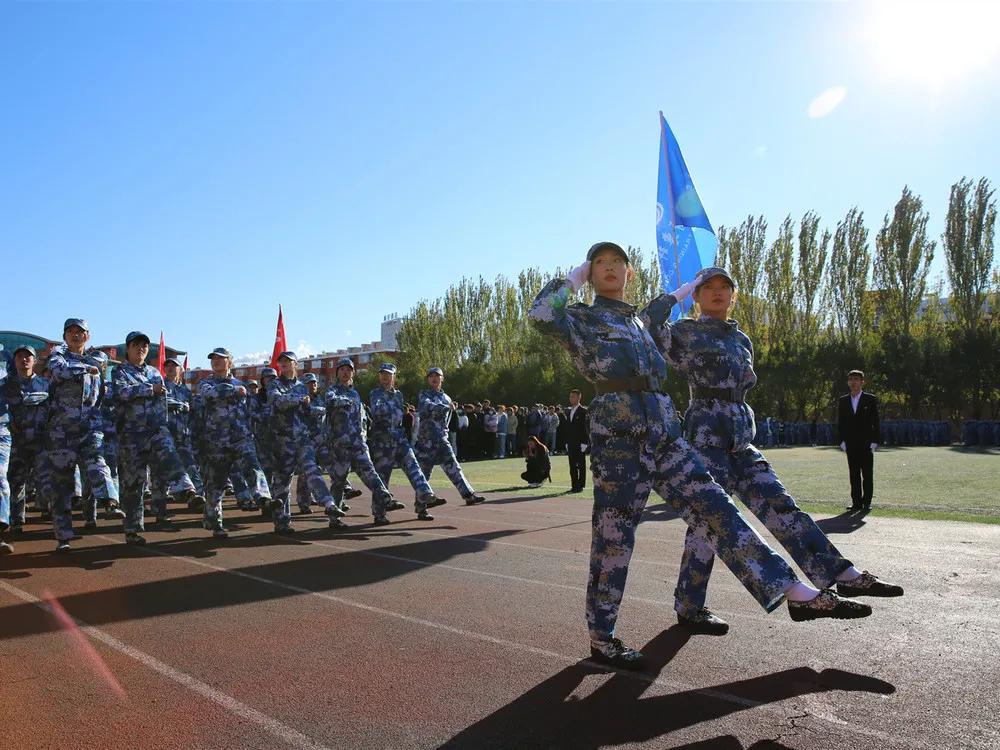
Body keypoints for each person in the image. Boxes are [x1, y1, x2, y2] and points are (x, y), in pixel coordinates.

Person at [529, 242, 871, 669]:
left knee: (717, 509)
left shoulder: (638, 321)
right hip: (618, 438)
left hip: (665, 432)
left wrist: (680, 291)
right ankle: (603, 636)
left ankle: (794, 593)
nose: (610, 268)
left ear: (630, 274)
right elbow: (541, 314)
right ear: (590, 273)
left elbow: (655, 317)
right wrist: (574, 277)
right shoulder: (580, 318)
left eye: (618, 263)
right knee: (614, 539)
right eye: (600, 264)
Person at [651, 267, 903, 635]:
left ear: (733, 296)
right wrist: (678, 292)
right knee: (711, 523)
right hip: (706, 435)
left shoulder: (742, 340)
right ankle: (691, 607)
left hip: (741, 436)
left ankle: (840, 573)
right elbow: (649, 325)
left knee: (780, 504)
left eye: (725, 288)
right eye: (708, 288)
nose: (718, 293)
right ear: (698, 296)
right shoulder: (686, 332)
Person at [45, 319, 123, 551]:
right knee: (62, 485)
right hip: (62, 431)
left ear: (88, 336)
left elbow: (101, 389)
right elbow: (58, 371)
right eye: (71, 332)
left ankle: (110, 500)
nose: (76, 336)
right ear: (65, 336)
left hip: (89, 426)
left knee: (97, 463)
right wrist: (85, 368)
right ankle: (63, 537)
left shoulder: (96, 359)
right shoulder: (58, 358)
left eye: (80, 332)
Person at [193, 347, 272, 538]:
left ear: (230, 361)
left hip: (240, 438)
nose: (216, 361)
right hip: (216, 441)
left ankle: (262, 497)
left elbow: (251, 411)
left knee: (252, 465)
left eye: (220, 358)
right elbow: (210, 394)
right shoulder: (205, 383)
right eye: (213, 359)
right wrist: (233, 390)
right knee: (216, 485)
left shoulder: (241, 384)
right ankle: (214, 523)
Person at [268, 351, 339, 534]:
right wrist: (299, 400)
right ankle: (282, 522)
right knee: (282, 483)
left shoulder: (301, 387)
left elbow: (306, 412)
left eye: (288, 361)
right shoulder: (274, 384)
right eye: (281, 361)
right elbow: (278, 402)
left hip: (302, 439)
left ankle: (328, 503)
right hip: (282, 441)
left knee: (313, 470)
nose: (283, 364)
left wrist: (314, 409)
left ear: (295, 365)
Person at [368, 363, 446, 520]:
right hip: (382, 441)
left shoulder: (399, 395)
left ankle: (426, 495)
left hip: (399, 437)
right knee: (383, 477)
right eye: (382, 374)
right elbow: (377, 411)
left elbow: (398, 417)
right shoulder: (375, 393)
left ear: (394, 377)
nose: (385, 377)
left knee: (414, 466)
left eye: (388, 374)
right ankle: (379, 513)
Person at [322, 358, 392, 527]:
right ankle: (334, 519)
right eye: (342, 369)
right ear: (337, 372)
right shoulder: (332, 390)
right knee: (339, 482)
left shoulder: (355, 393)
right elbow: (330, 402)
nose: (345, 372)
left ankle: (385, 498)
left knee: (370, 472)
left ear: (353, 373)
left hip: (358, 443)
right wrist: (344, 402)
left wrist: (364, 436)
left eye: (349, 370)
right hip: (340, 444)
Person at [414, 368, 485, 506]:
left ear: (442, 379)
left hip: (442, 440)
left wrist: (447, 409)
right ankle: (422, 506)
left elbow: (447, 420)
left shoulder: (447, 398)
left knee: (454, 468)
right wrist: (445, 406)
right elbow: (427, 406)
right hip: (426, 442)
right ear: (428, 379)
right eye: (431, 376)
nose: (434, 378)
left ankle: (468, 495)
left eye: (437, 376)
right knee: (424, 474)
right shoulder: (424, 394)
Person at [4, 346, 49, 536]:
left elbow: (53, 407)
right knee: (16, 481)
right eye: (20, 356)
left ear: (35, 361)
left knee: (47, 479)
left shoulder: (45, 384)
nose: (24, 360)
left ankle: (51, 516)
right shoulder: (6, 385)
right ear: (14, 361)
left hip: (41, 441)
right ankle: (16, 520)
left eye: (28, 356)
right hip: (17, 441)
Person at [837, 370, 880, 512]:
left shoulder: (870, 399)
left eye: (856, 379)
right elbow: (841, 422)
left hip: (866, 443)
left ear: (862, 382)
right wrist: (841, 440)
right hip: (851, 444)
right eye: (851, 379)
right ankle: (856, 503)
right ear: (848, 382)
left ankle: (866, 502)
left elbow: (876, 421)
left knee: (867, 474)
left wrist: (875, 440)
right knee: (853, 474)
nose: (853, 382)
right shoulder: (843, 400)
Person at [565, 389, 589, 493]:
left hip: (580, 443)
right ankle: (574, 484)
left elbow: (585, 428)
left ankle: (580, 485)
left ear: (579, 397)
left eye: (573, 397)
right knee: (572, 465)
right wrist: (566, 441)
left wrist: (585, 442)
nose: (571, 399)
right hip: (571, 442)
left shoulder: (583, 411)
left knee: (581, 465)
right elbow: (567, 427)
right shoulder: (569, 411)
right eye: (570, 397)